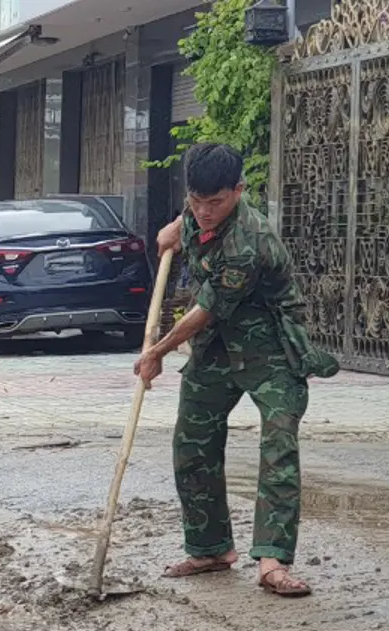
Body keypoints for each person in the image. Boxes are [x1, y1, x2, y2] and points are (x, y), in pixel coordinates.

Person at [138, 142, 313, 598]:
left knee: (278, 444)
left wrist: (156, 351)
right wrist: (173, 229)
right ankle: (210, 547)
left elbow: (205, 311)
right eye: (196, 201)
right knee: (192, 443)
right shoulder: (197, 204)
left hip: (270, 347)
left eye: (215, 203)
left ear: (239, 190)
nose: (204, 211)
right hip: (216, 350)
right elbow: (177, 228)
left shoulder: (249, 241)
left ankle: (273, 560)